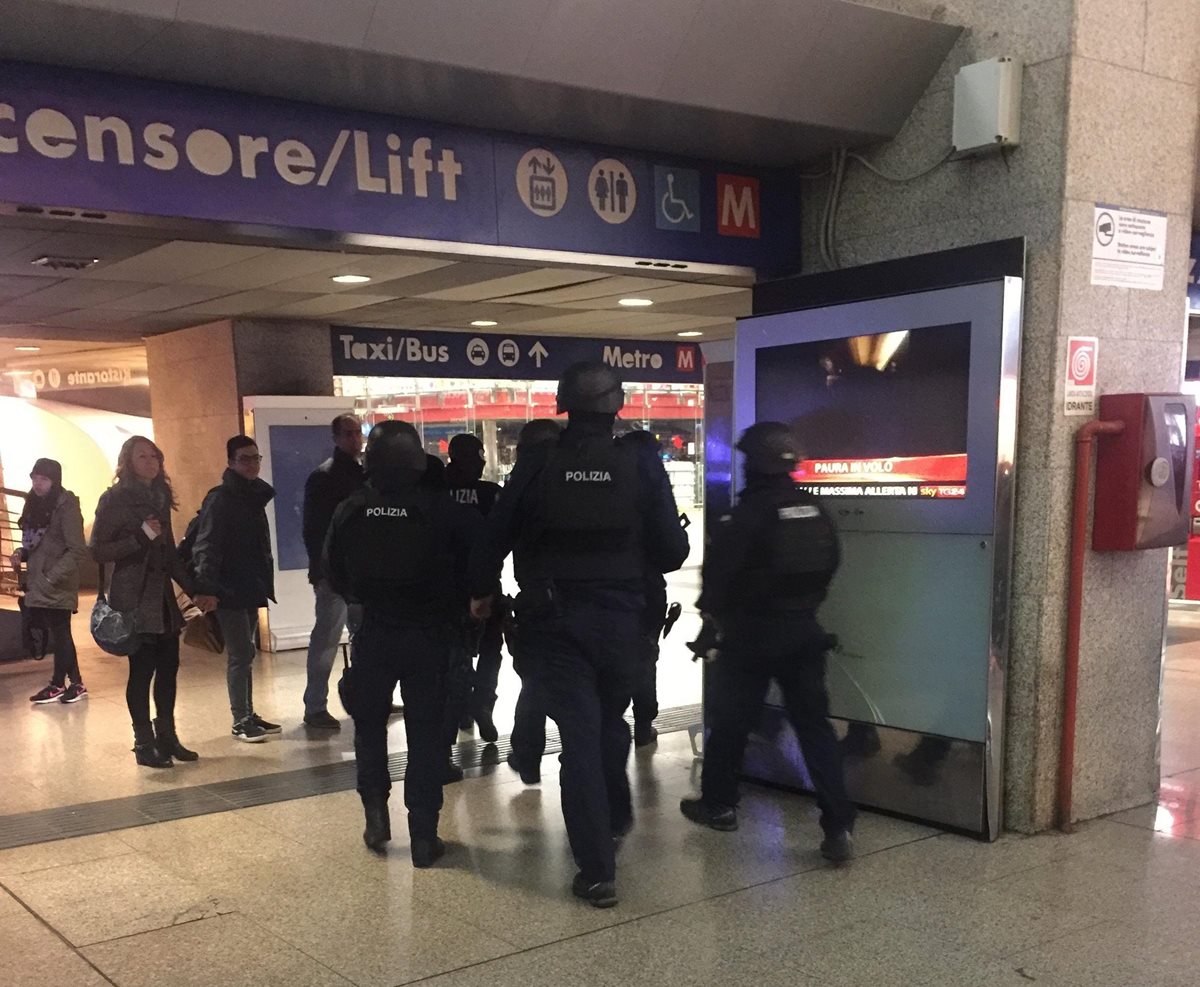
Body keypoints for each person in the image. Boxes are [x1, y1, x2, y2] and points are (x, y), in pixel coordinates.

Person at [469, 363, 689, 908]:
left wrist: (480, 591)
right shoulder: (640, 461)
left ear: (565, 404)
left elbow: (494, 537)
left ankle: (597, 871)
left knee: (580, 740)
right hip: (625, 625)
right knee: (608, 723)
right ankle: (614, 816)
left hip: (556, 624)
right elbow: (671, 552)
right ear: (617, 404)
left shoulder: (539, 461)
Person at [679, 421, 856, 863]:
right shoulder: (813, 507)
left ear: (754, 463)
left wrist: (714, 622)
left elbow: (718, 580)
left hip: (750, 636)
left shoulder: (747, 514)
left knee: (731, 722)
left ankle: (719, 805)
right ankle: (838, 825)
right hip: (804, 632)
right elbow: (831, 563)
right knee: (815, 727)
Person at [324, 420, 483, 866]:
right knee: (427, 735)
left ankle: (376, 816)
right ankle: (423, 835)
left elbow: (333, 571)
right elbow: (474, 569)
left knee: (370, 728)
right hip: (431, 637)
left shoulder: (351, 508)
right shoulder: (444, 510)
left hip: (374, 634)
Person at [91, 436, 213, 767]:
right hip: (133, 598)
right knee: (142, 670)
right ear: (128, 462)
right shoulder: (114, 499)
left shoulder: (159, 496)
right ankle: (144, 743)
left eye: (154, 456)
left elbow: (171, 553)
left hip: (161, 598)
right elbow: (98, 550)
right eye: (142, 456)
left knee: (169, 667)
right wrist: (139, 538)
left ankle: (168, 737)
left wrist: (193, 589)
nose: (150, 461)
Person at [190, 435, 278, 743]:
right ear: (230, 462)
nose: (252, 464)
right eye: (245, 459)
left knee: (247, 652)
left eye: (255, 458)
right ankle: (240, 719)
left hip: (249, 584)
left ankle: (248, 714)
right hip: (227, 588)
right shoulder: (222, 498)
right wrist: (206, 587)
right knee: (240, 653)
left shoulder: (252, 496)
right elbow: (207, 545)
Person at [502, 418, 563, 784]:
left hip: (538, 601)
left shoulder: (520, 488)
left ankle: (527, 755)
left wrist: (482, 592)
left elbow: (495, 540)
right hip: (588, 603)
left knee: (535, 683)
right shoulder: (584, 481)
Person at [301, 413, 365, 731]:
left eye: (358, 433)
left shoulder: (363, 474)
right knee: (326, 638)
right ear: (336, 438)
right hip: (336, 574)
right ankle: (314, 706)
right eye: (349, 434)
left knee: (364, 636)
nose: (356, 439)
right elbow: (314, 529)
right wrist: (320, 571)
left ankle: (365, 695)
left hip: (361, 572)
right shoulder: (325, 477)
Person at [444, 433, 504, 742]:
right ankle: (482, 701)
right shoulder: (490, 494)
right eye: (479, 455)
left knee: (457, 653)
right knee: (492, 647)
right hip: (486, 584)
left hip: (446, 587)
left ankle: (462, 708)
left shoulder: (436, 491)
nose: (482, 461)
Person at [14, 458, 89, 704]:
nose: (37, 483)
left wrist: (50, 577)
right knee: (59, 632)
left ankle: (60, 683)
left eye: (43, 479)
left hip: (57, 581)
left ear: (54, 480)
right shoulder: (34, 503)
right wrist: (21, 554)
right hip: (39, 579)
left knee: (61, 632)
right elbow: (35, 542)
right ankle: (75, 683)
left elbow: (77, 550)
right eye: (34, 478)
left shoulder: (65, 506)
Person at [618, 430, 671, 747]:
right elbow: (674, 550)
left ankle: (610, 722)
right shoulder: (655, 490)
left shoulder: (609, 483)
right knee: (645, 657)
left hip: (604, 590)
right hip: (647, 589)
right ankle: (642, 723)